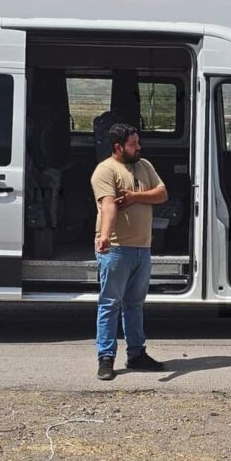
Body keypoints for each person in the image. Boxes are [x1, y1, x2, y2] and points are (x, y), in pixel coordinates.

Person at [90, 122, 168, 380]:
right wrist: (104, 237)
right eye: (133, 144)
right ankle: (106, 358)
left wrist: (135, 197)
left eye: (138, 142)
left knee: (135, 304)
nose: (138, 147)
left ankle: (136, 354)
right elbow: (108, 206)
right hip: (117, 249)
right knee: (110, 304)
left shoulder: (144, 166)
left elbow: (161, 194)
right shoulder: (105, 171)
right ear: (118, 147)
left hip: (142, 248)